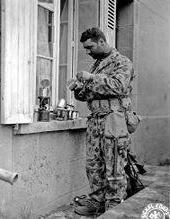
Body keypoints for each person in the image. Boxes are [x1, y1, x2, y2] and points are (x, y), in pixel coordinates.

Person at [68, 27, 144, 217]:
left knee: (114, 166)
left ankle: (114, 208)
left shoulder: (122, 62)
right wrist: (78, 88)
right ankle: (96, 202)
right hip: (95, 121)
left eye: (90, 47)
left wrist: (91, 78)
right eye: (85, 48)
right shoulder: (98, 64)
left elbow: (118, 87)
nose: (87, 51)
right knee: (94, 165)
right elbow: (87, 95)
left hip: (114, 120)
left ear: (101, 41)